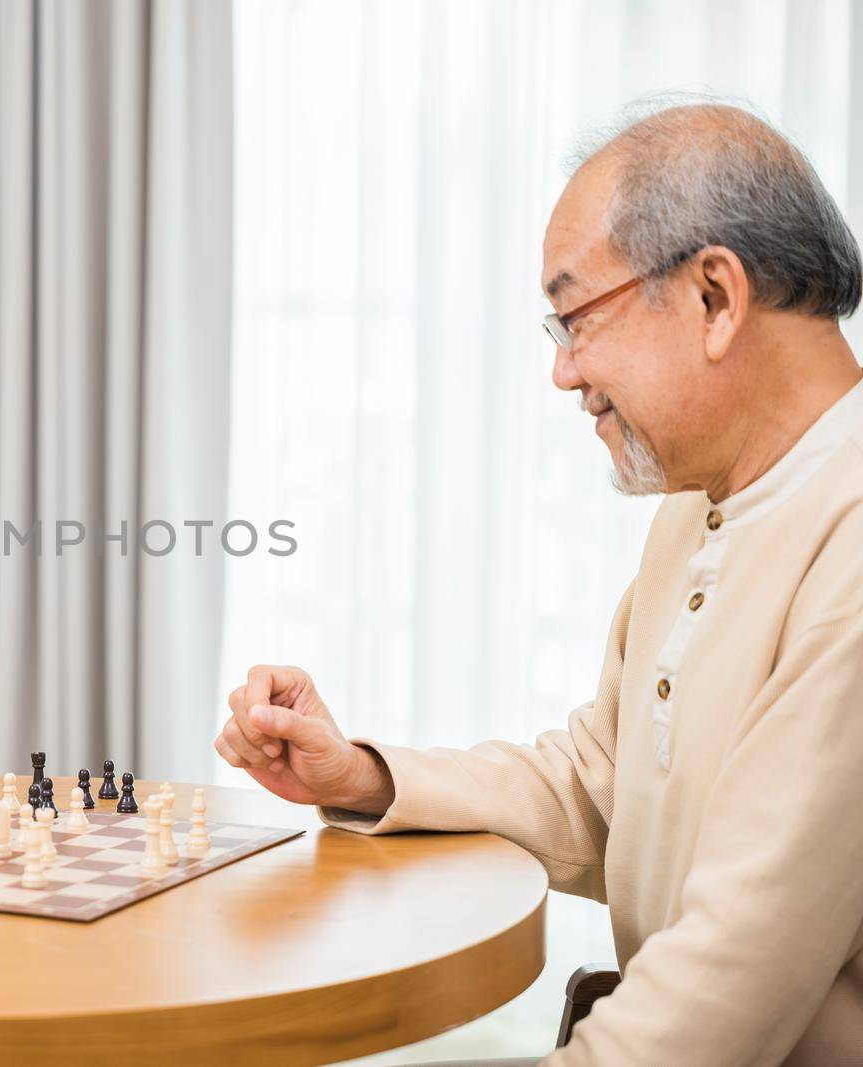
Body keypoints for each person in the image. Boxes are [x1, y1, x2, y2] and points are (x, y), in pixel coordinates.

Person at [217, 102, 863, 1066]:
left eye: (575, 317)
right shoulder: (702, 505)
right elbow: (606, 783)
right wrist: (363, 774)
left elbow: (731, 978)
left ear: (715, 297)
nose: (564, 372)